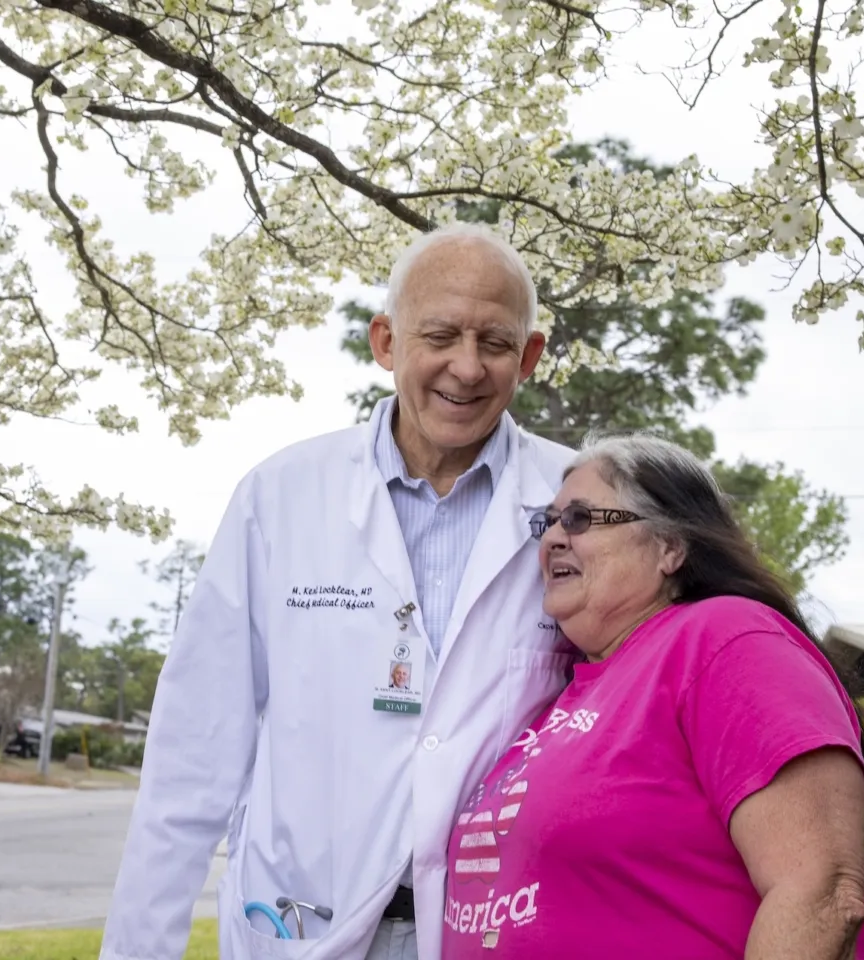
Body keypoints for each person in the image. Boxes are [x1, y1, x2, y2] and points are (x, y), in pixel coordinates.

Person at [101, 223, 578, 960]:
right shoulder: (280, 497)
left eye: (495, 343)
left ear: (531, 358)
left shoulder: (581, 510)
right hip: (302, 920)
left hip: (497, 929)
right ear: (385, 343)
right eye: (440, 335)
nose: (466, 367)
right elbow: (193, 758)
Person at [441, 433, 864, 958]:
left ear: (670, 546)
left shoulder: (727, 639)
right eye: (550, 522)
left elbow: (821, 892)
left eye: (581, 519)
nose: (553, 539)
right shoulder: (574, 692)